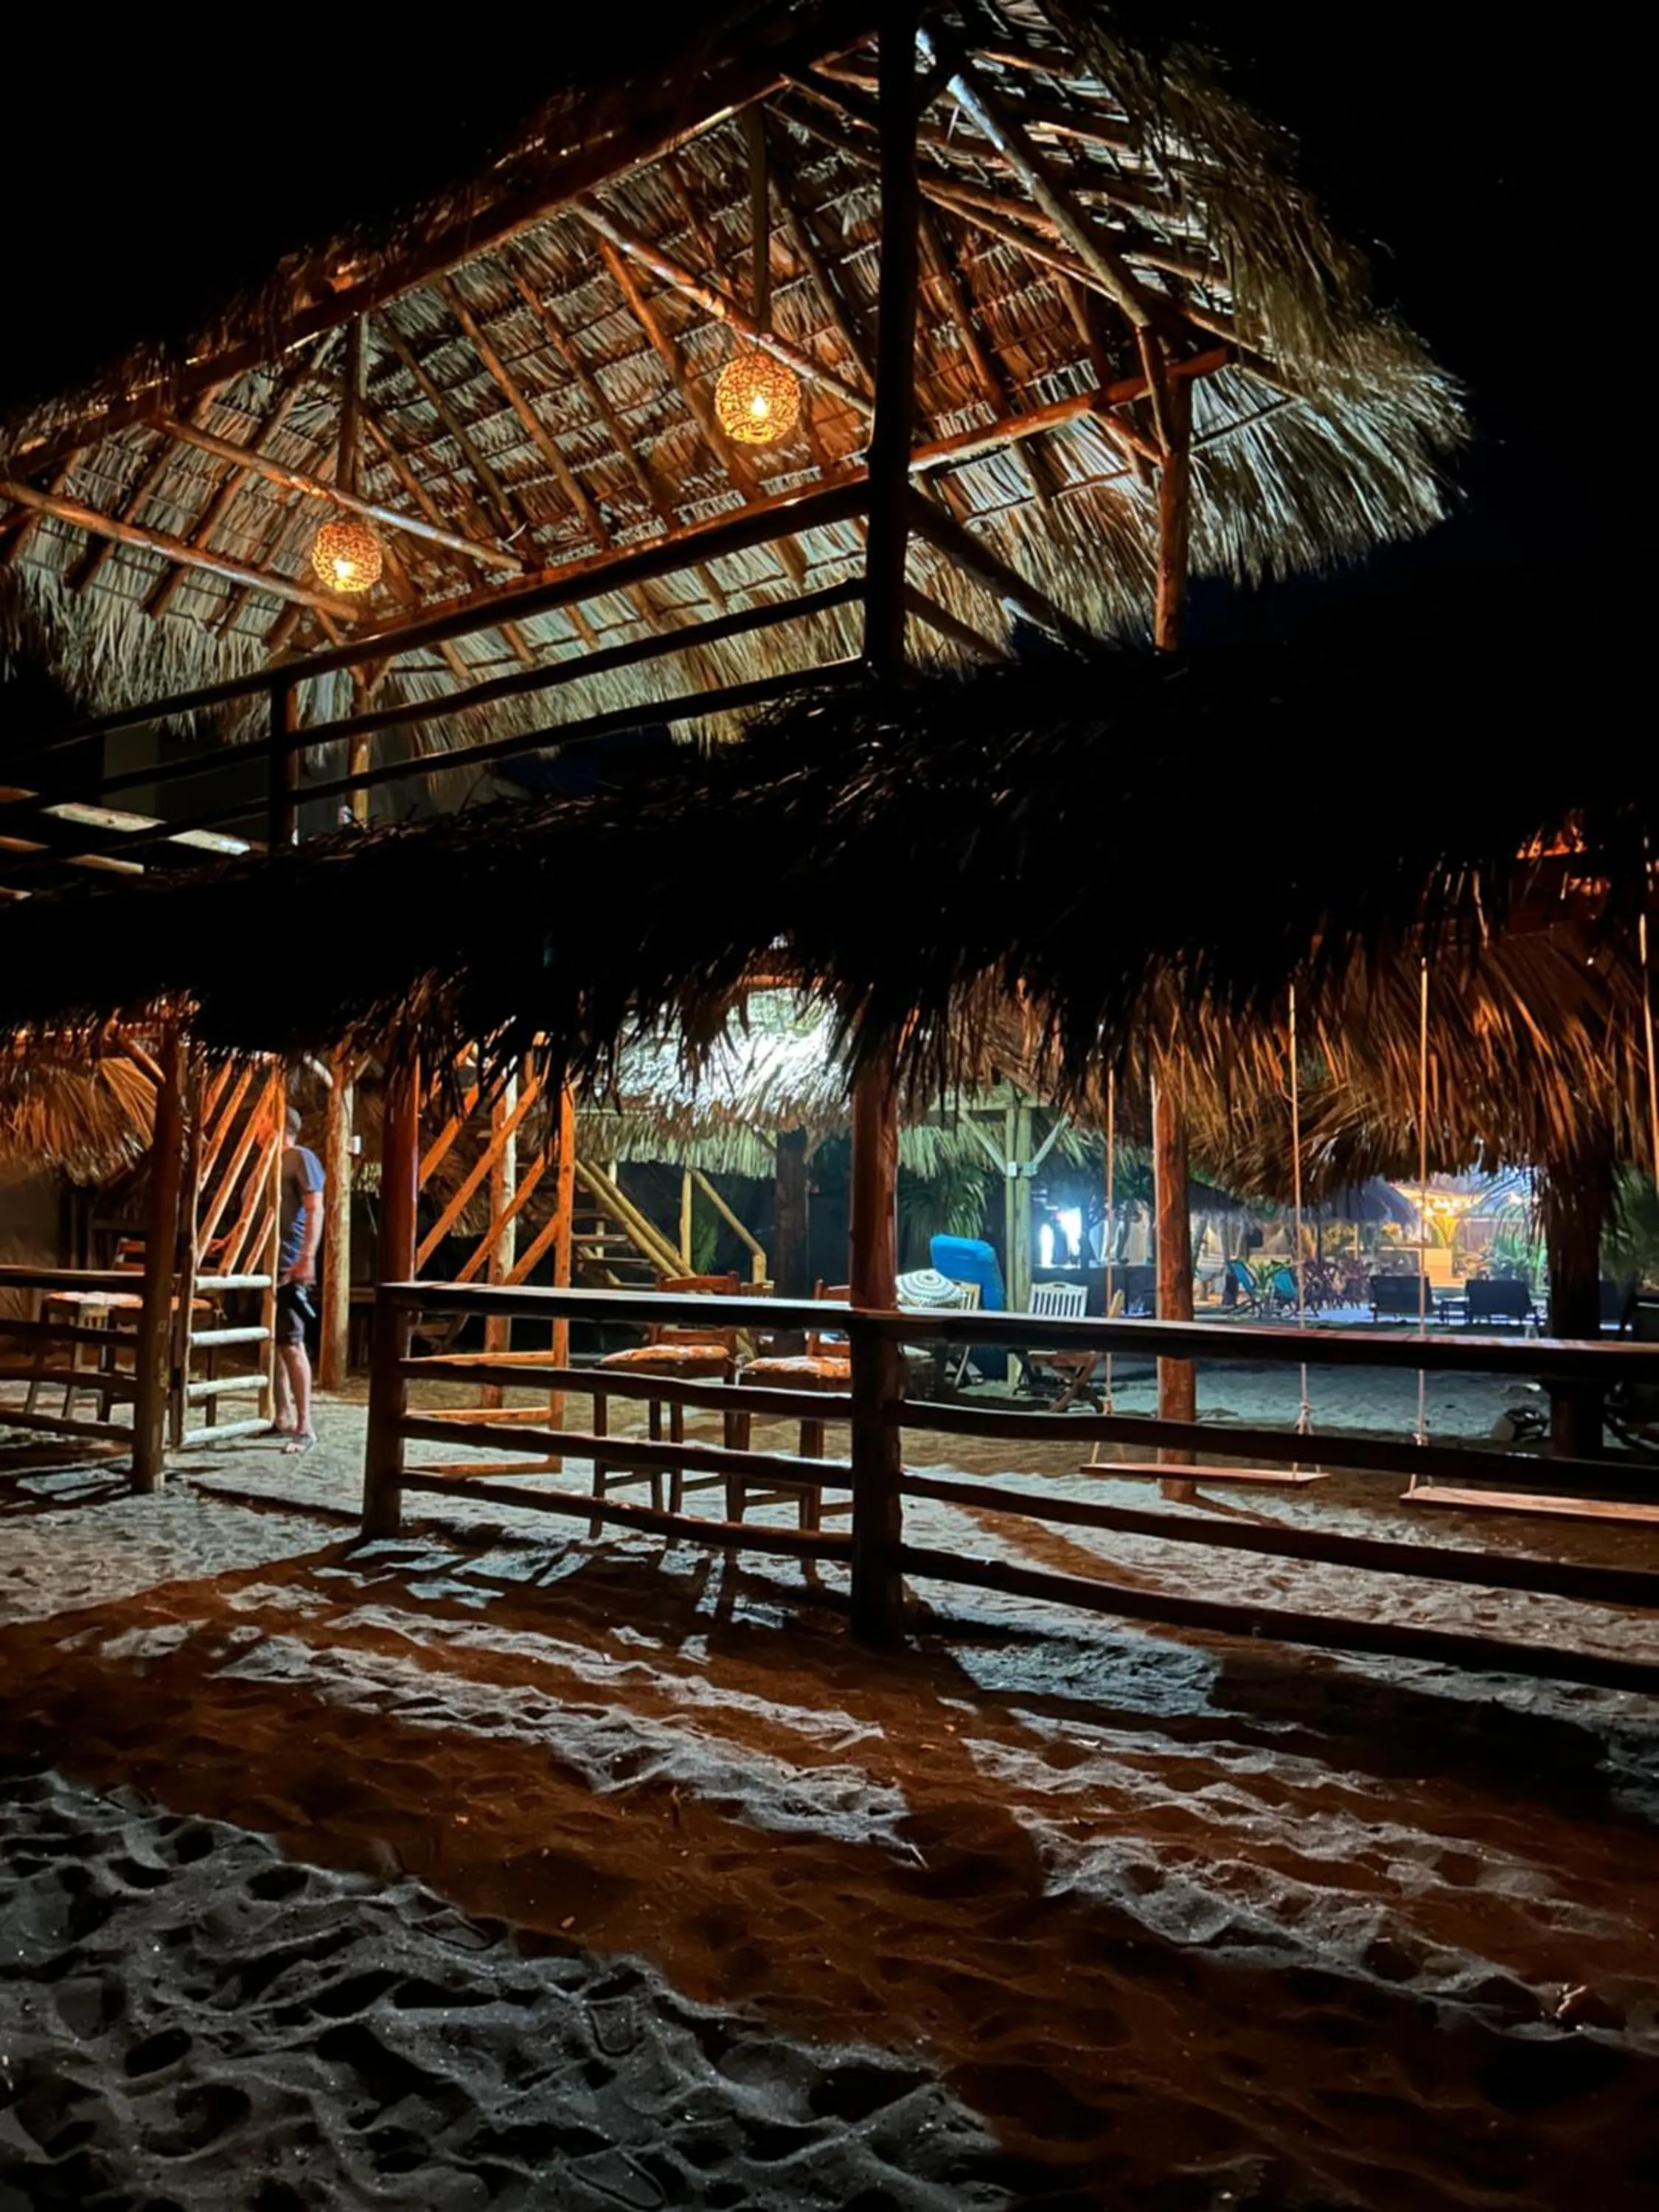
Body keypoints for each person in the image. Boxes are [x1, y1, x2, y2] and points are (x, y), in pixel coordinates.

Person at [274, 1104, 324, 1454]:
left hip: (290, 1262)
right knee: (275, 1344)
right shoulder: (265, 1165)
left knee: (292, 1343)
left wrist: (306, 1257)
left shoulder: (301, 1158)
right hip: (266, 1263)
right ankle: (281, 1416)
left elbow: (315, 1207)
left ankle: (305, 1426)